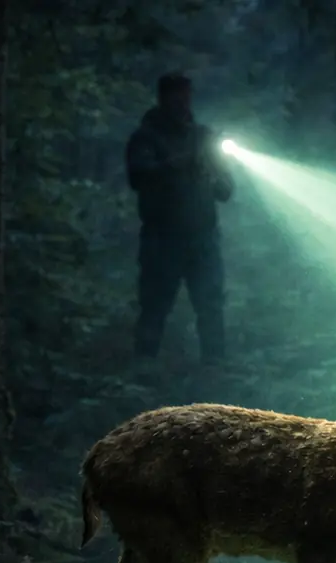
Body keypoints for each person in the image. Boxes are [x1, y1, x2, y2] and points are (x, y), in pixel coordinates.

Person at [125, 71, 235, 362]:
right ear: (163, 98)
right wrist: (180, 164)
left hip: (202, 237)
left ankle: (216, 369)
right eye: (177, 96)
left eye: (187, 95)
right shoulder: (146, 136)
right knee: (155, 307)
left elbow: (225, 189)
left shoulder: (203, 137)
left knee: (210, 306)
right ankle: (143, 371)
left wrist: (211, 170)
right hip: (162, 238)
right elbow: (139, 175)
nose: (183, 102)